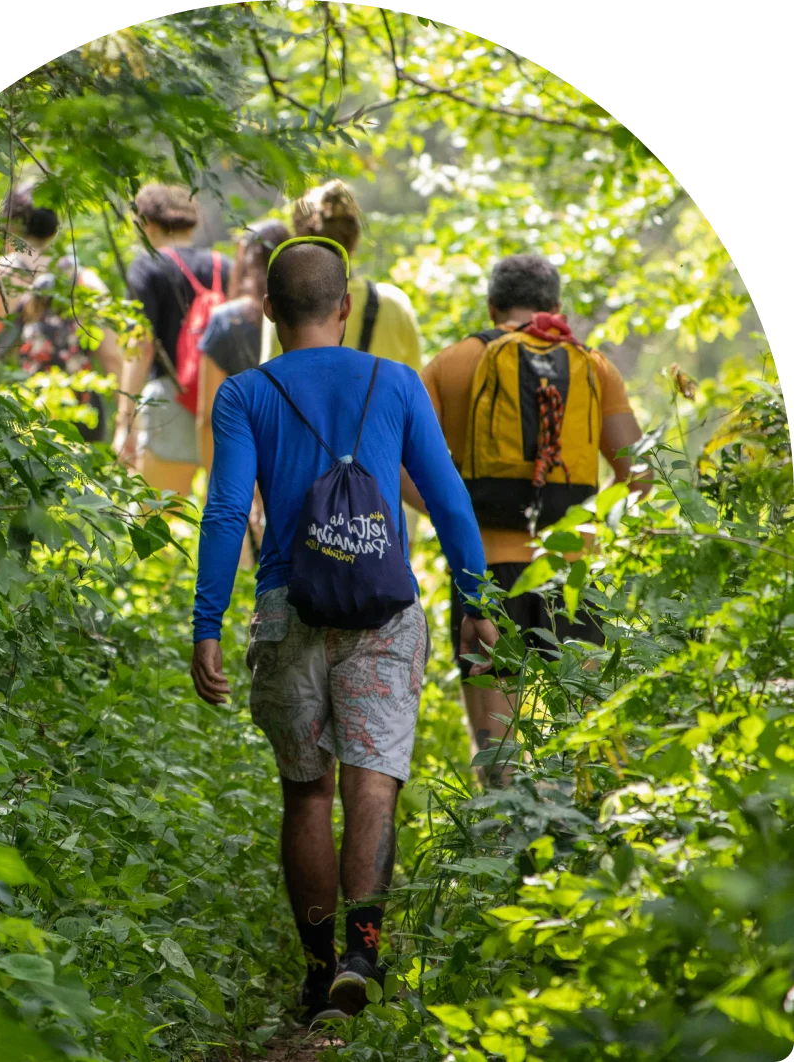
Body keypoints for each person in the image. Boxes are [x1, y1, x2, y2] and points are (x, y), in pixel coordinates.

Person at [190, 237, 498, 1026]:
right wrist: (474, 600)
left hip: (285, 606)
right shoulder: (394, 383)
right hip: (381, 612)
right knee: (372, 779)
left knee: (306, 790)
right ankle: (363, 956)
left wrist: (206, 624)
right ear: (345, 305)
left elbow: (228, 511)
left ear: (268, 311)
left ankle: (317, 968)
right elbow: (450, 500)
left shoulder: (245, 395)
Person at [405, 254, 650, 785]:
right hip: (572, 575)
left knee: (498, 758)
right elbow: (643, 475)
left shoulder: (452, 364)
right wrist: (587, 523)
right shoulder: (592, 366)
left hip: (484, 576)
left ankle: (500, 846)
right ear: (555, 308)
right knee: (585, 742)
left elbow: (397, 466)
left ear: (493, 308)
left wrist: (458, 518)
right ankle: (579, 845)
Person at [261, 180, 424, 550]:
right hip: (384, 502)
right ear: (354, 238)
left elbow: (270, 402)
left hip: (302, 497)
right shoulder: (395, 305)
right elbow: (418, 410)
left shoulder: (286, 306)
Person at [0, 181, 125, 443]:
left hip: (10, 423)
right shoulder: (85, 282)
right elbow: (114, 358)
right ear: (55, 229)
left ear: (10, 227)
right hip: (78, 424)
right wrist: (127, 427)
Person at [118, 184, 233, 497]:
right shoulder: (226, 267)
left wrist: (124, 422)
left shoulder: (147, 266)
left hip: (170, 401)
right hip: (224, 404)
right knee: (229, 519)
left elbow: (139, 347)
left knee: (154, 522)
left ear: (148, 225)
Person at [197, 219, 290, 566]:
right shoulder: (300, 318)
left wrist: (217, 493)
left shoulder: (225, 321)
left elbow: (208, 417)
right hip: (289, 469)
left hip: (239, 471)